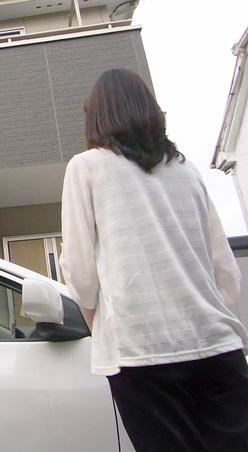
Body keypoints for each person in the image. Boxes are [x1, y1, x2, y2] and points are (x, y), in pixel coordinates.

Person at [59, 68, 248, 452]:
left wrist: (101, 330)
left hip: (140, 349)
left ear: (97, 117)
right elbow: (223, 266)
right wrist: (216, 320)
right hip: (216, 343)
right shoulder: (186, 169)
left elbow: (80, 273)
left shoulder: (87, 166)